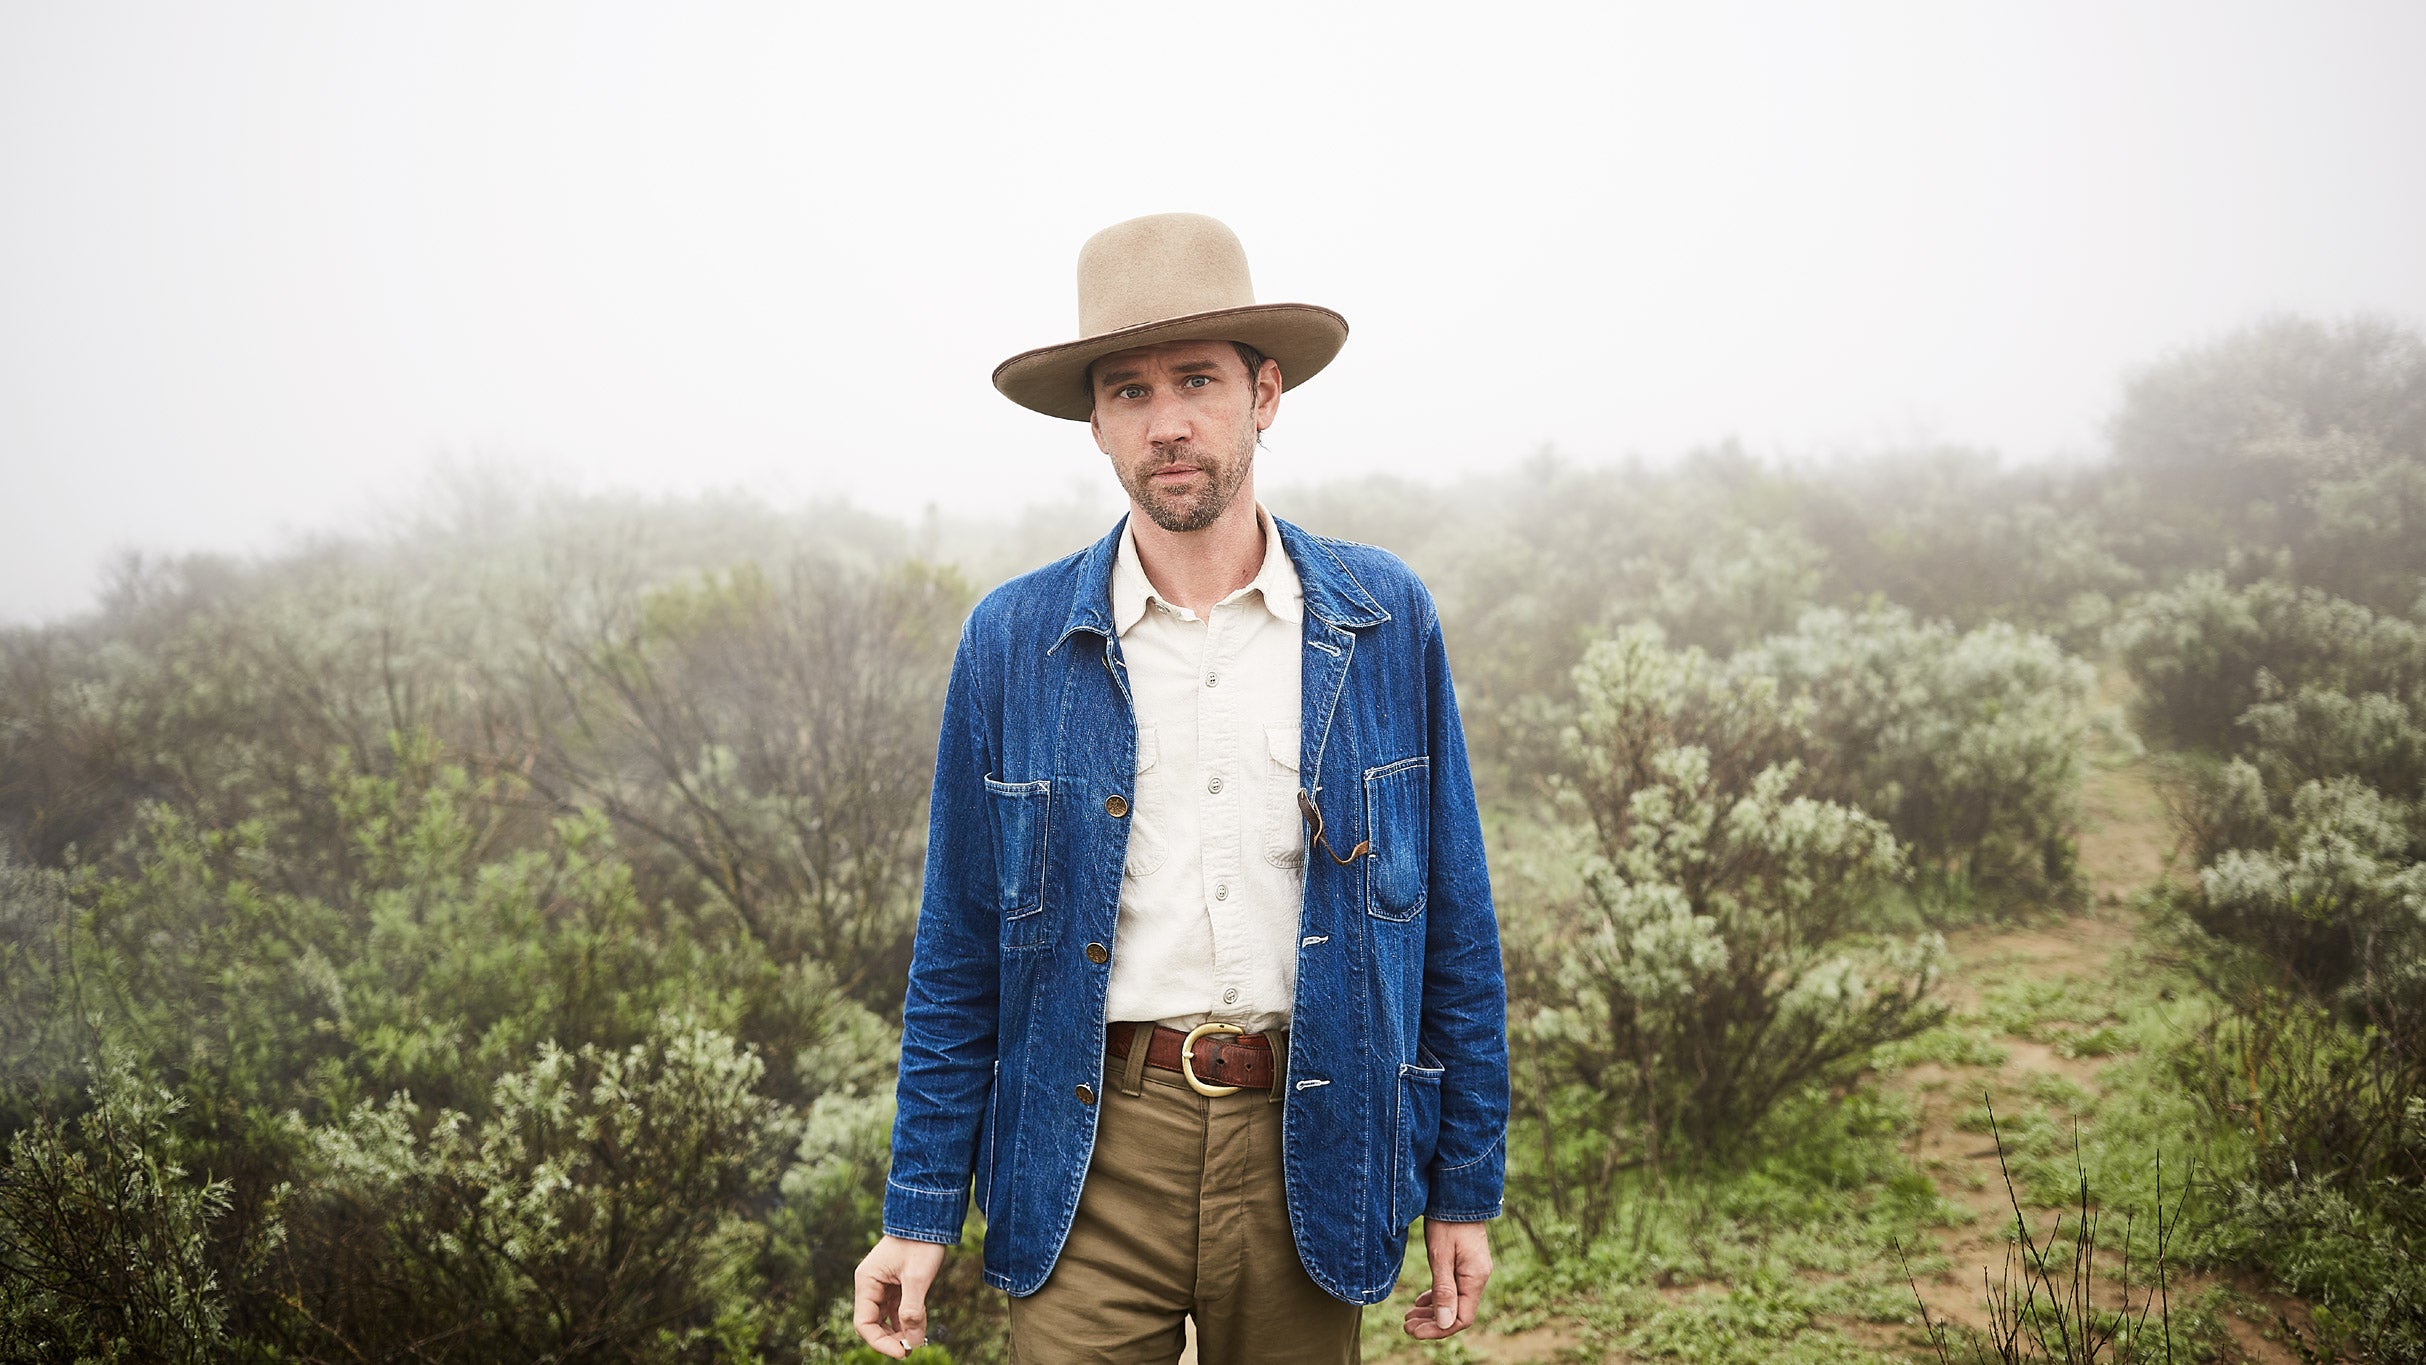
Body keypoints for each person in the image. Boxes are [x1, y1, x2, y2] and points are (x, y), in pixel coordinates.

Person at [853, 212, 1508, 1364]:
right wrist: (917, 1211)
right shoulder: (1012, 640)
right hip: (1086, 1155)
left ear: (1263, 395)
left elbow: (1452, 925)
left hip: (1313, 1140)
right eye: (1128, 391)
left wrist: (1462, 1184)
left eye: (1197, 380)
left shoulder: (1380, 619)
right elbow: (957, 950)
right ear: (1095, 424)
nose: (1167, 423)